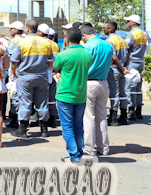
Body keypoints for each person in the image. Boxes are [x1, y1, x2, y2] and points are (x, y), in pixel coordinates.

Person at [81, 25, 125, 156]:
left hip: (89, 83)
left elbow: (83, 65)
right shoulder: (107, 45)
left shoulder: (87, 46)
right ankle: (103, 148)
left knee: (88, 117)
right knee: (101, 117)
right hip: (103, 82)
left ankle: (89, 148)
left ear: (83, 35)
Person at [53, 28, 93, 164]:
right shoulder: (87, 54)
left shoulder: (63, 54)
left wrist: (64, 48)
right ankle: (79, 154)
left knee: (67, 127)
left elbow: (56, 67)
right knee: (78, 126)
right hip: (80, 95)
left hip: (65, 95)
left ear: (67, 39)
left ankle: (74, 156)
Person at [9, 20, 55, 138]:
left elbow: (14, 61)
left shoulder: (22, 42)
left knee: (25, 103)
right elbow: (50, 62)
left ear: (27, 29)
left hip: (25, 76)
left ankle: (22, 130)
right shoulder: (46, 43)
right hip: (42, 76)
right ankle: (44, 130)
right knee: (42, 103)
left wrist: (13, 73)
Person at [104, 20, 129, 125]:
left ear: (110, 29)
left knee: (114, 93)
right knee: (123, 93)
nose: (103, 29)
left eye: (105, 28)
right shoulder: (121, 39)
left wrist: (121, 68)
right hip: (122, 68)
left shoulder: (110, 40)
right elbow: (127, 54)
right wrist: (125, 67)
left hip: (114, 68)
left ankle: (113, 117)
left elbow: (114, 57)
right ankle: (123, 116)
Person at [123, 15, 146, 121]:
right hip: (141, 61)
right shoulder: (143, 33)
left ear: (133, 23)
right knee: (138, 86)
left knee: (129, 86)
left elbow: (125, 46)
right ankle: (139, 111)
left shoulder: (132, 34)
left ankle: (131, 110)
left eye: (128, 21)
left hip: (132, 62)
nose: (127, 23)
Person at [37, 24, 60, 130]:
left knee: (41, 98)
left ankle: (42, 120)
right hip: (53, 73)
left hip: (42, 73)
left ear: (41, 32)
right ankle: (53, 119)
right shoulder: (54, 44)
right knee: (52, 97)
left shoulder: (40, 43)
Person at [5, 21, 25, 128]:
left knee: (14, 95)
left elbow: (12, 57)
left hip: (15, 71)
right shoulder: (25, 40)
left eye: (11, 28)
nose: (10, 31)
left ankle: (14, 119)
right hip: (25, 70)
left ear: (16, 30)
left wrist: (12, 72)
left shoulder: (12, 42)